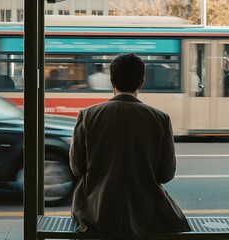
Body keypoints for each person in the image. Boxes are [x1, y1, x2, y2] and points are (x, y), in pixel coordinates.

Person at [69, 52, 190, 240]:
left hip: (96, 213)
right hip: (147, 214)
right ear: (141, 82)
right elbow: (166, 175)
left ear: (112, 82)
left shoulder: (87, 115)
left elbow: (77, 169)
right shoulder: (160, 119)